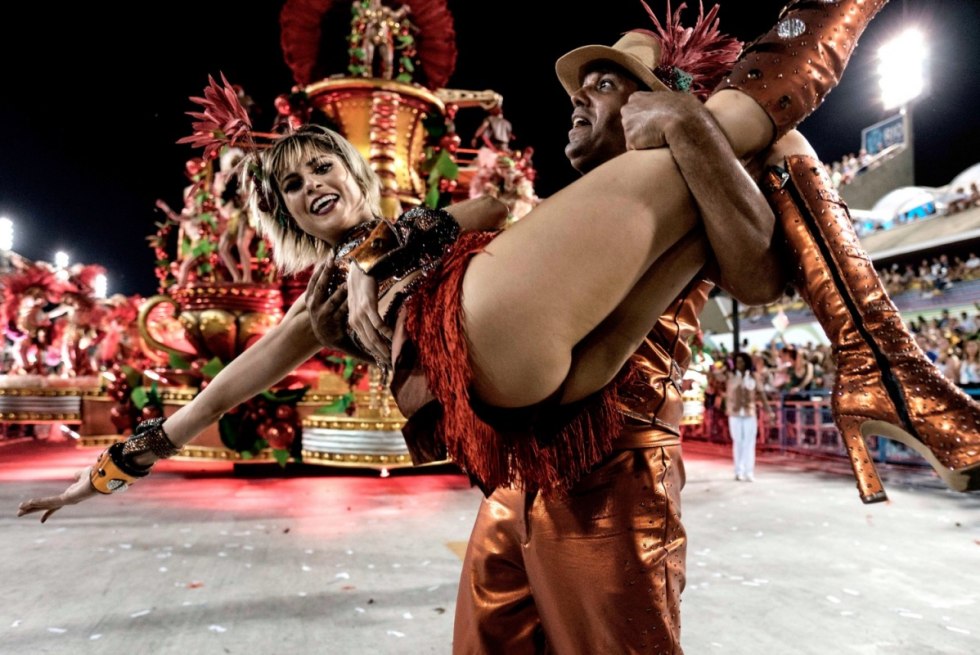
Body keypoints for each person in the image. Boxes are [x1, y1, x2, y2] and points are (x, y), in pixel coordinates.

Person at [18, 0, 980, 650]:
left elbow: (749, 265)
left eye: (324, 168)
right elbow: (231, 383)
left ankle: (875, 357)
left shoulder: (479, 222)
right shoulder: (337, 294)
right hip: (498, 407)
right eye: (293, 182)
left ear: (356, 175)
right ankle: (879, 357)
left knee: (760, 149)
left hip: (577, 427)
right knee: (746, 133)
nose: (313, 184)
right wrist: (116, 465)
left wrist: (655, 136)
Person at [725, 352, 774, 482]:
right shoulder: (731, 376)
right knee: (738, 442)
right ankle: (738, 471)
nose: (739, 364)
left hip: (749, 413)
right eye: (737, 361)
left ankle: (749, 472)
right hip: (735, 413)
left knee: (749, 443)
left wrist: (768, 409)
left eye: (741, 361)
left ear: (746, 363)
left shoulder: (753, 376)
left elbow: (762, 394)